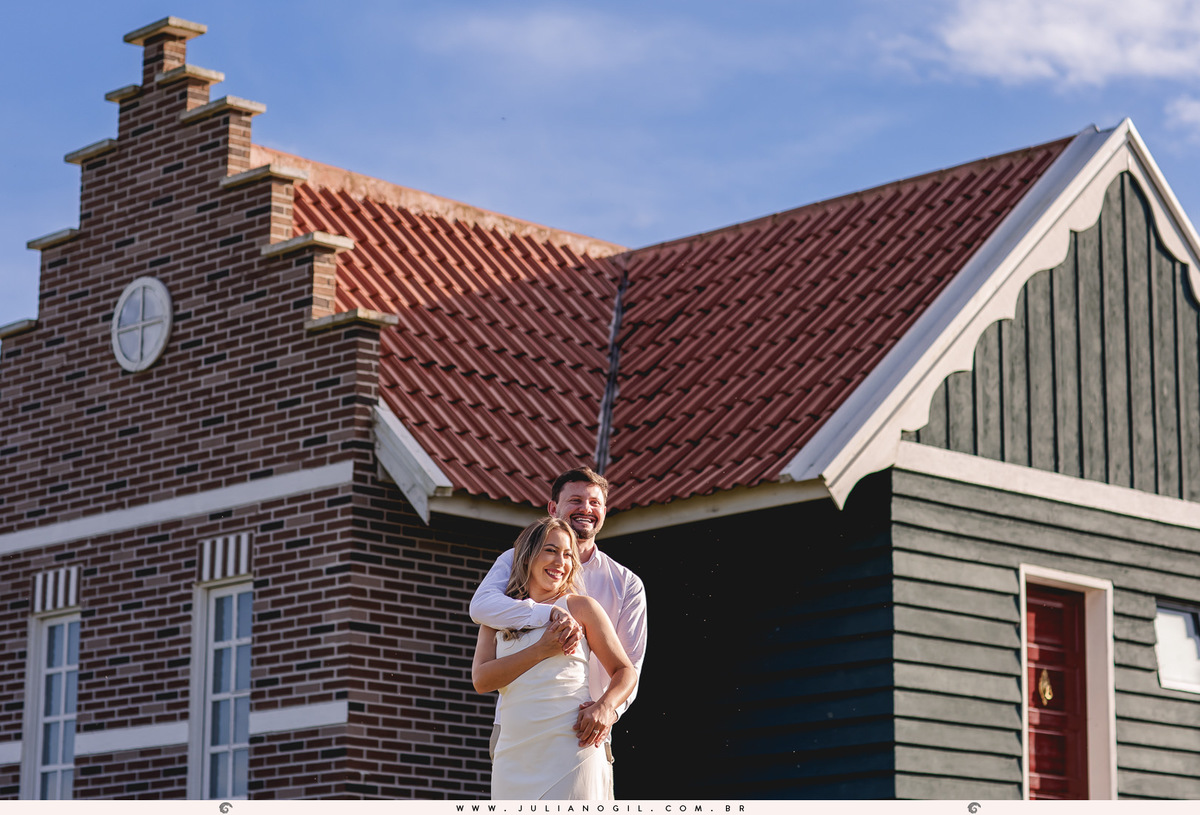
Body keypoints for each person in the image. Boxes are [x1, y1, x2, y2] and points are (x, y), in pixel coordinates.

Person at [469, 467, 647, 767]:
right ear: (553, 508)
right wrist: (550, 613)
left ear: (604, 511)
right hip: (516, 725)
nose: (586, 509)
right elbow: (481, 607)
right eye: (575, 500)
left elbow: (630, 664)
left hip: (583, 730)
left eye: (595, 503)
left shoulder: (626, 583)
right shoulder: (515, 562)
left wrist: (608, 709)